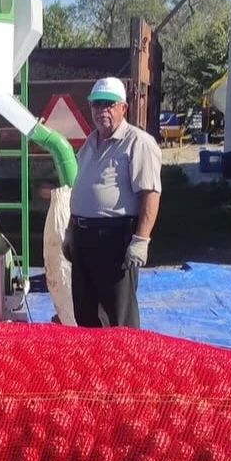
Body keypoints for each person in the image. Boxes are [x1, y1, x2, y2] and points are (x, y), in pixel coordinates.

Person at [63, 77, 162, 328]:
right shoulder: (89, 143)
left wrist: (141, 240)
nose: (101, 111)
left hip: (115, 239)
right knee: (85, 313)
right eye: (96, 105)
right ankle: (94, 366)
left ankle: (124, 366)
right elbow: (81, 190)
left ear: (123, 108)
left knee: (119, 316)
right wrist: (70, 231)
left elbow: (150, 193)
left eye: (108, 104)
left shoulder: (138, 143)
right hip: (84, 237)